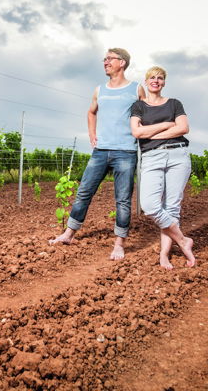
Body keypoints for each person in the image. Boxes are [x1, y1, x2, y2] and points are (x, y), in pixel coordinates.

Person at [49, 48, 145, 260]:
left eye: (110, 59)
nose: (105, 62)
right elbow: (91, 111)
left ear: (122, 63)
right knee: (84, 191)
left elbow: (145, 116)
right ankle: (68, 234)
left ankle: (119, 244)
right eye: (105, 59)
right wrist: (92, 133)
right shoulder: (99, 90)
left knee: (122, 200)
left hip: (126, 152)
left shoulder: (136, 89)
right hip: (101, 151)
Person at [130, 65, 195, 269]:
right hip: (152, 157)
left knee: (172, 207)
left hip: (178, 155)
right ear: (146, 81)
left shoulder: (175, 103)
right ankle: (184, 241)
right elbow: (137, 133)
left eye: (160, 78)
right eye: (152, 77)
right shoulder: (138, 106)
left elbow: (183, 128)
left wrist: (151, 133)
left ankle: (164, 255)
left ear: (164, 82)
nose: (155, 80)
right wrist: (167, 125)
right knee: (149, 205)